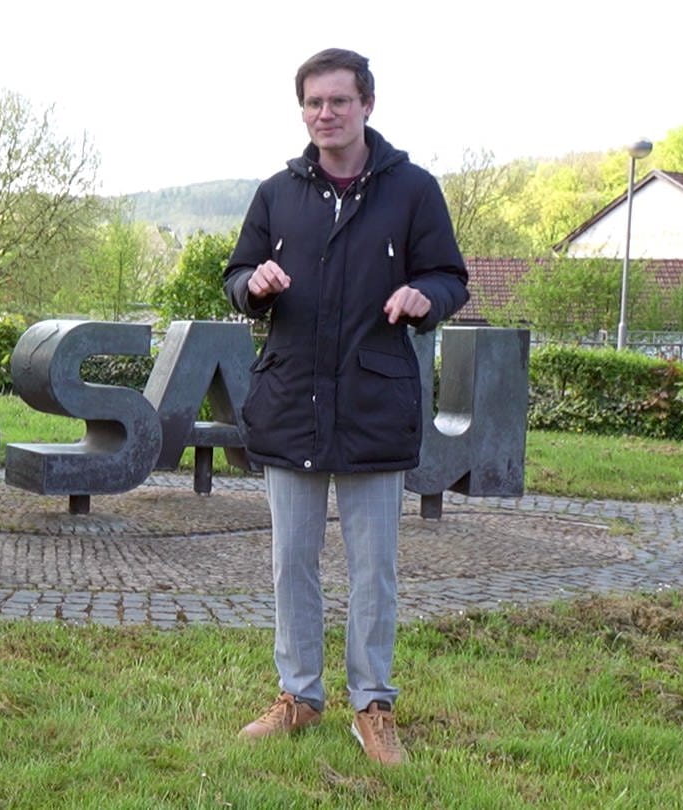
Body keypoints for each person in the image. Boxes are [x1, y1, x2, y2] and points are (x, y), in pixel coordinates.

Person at [224, 48, 468, 765]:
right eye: (312, 103)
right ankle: (298, 697)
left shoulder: (414, 191)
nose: (324, 114)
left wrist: (428, 299)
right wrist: (253, 284)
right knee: (291, 562)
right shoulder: (275, 193)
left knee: (373, 570)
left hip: (374, 403)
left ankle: (373, 708)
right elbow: (235, 275)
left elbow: (450, 276)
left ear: (367, 104)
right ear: (303, 112)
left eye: (338, 100)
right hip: (291, 402)